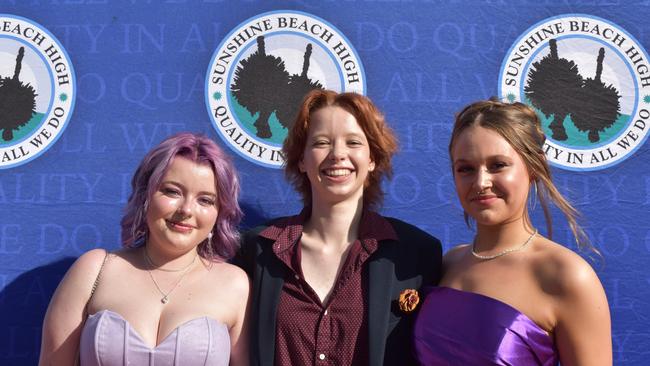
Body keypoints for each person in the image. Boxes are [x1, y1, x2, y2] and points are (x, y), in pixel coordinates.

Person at [235, 90, 442, 366]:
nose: (338, 154)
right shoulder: (258, 249)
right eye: (322, 142)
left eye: (353, 142)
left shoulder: (417, 253)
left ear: (372, 159)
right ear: (301, 159)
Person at [413, 100, 612, 365]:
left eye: (498, 165)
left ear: (533, 167)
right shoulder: (448, 263)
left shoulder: (566, 276)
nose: (481, 182)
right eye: (466, 169)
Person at [39, 133, 250, 365]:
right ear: (145, 196)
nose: (187, 209)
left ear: (219, 213)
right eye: (172, 191)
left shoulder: (235, 285)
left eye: (205, 200)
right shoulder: (94, 270)